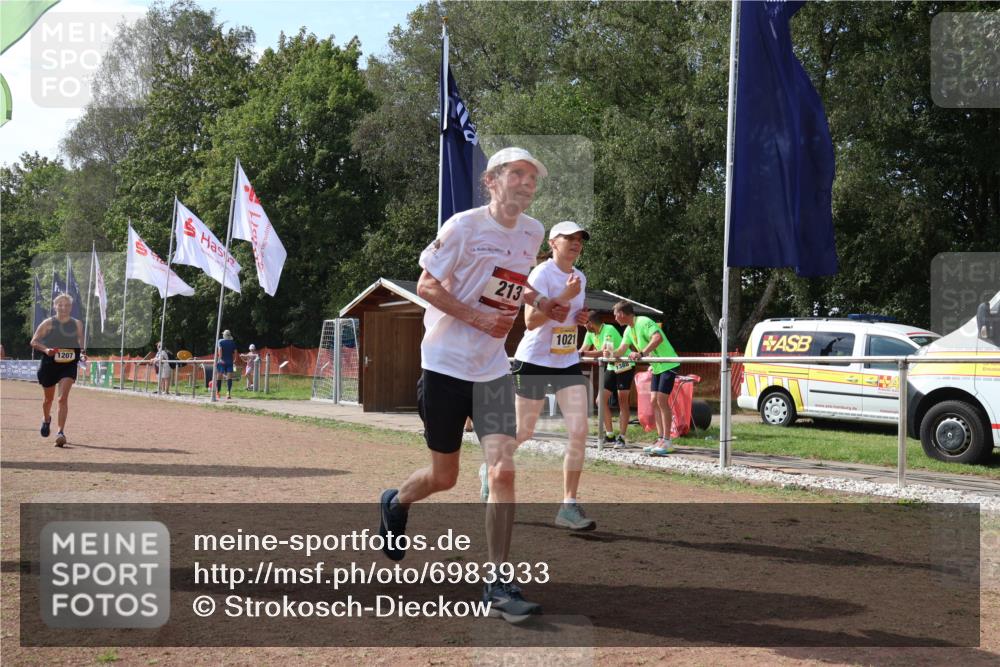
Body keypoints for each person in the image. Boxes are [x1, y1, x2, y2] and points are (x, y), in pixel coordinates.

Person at [377, 147, 567, 624]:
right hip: (443, 365)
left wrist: (543, 299)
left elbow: (513, 282)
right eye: (517, 174)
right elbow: (425, 285)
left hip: (492, 370)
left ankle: (498, 583)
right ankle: (396, 501)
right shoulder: (462, 226)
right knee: (445, 477)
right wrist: (476, 316)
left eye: (532, 177)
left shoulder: (532, 231)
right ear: (492, 181)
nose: (527, 183)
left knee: (502, 471)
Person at [509, 221, 595, 531]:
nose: (575, 243)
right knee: (524, 432)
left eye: (579, 239)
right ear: (553, 242)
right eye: (569, 238)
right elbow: (531, 321)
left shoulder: (580, 277)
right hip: (533, 359)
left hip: (566, 360)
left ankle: (568, 505)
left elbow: (571, 317)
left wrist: (582, 317)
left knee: (579, 430)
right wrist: (563, 294)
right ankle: (489, 471)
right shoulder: (541, 274)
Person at [611, 301, 679, 456]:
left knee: (661, 400)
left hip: (669, 363)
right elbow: (622, 349)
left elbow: (657, 338)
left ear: (622, 314)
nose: (615, 318)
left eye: (615, 315)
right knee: (654, 401)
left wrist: (641, 354)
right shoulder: (629, 329)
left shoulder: (644, 321)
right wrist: (610, 354)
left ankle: (668, 441)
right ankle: (661, 439)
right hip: (657, 366)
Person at [30, 293, 85, 447]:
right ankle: (46, 419)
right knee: (48, 400)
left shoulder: (77, 324)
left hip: (68, 364)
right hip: (49, 364)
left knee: (62, 398)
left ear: (71, 307)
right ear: (55, 306)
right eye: (60, 305)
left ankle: (60, 432)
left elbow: (80, 341)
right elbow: (34, 341)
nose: (63, 307)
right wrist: (46, 350)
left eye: (67, 305)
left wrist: (82, 353)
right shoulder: (48, 323)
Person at [579, 310, 635, 448]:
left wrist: (580, 353)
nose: (583, 326)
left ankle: (621, 438)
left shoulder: (609, 329)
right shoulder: (589, 333)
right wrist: (577, 353)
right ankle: (610, 435)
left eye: (585, 323)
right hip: (611, 366)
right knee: (600, 400)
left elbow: (602, 352)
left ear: (590, 323)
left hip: (624, 364)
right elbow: (583, 349)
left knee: (623, 402)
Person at [216, 330, 237, 400]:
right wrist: (234, 360)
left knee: (219, 376)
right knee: (229, 377)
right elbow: (235, 352)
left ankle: (218, 393)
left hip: (222, 361)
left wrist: (220, 358)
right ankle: (228, 393)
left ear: (224, 335)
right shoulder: (232, 342)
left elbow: (220, 350)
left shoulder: (220, 341)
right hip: (230, 361)